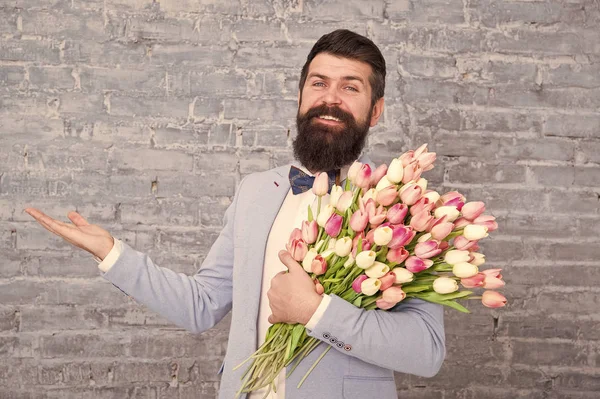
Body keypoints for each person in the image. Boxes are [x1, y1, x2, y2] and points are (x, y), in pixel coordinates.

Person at [25, 29, 445, 399]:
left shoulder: (404, 208)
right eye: (318, 83)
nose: (330, 99)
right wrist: (113, 253)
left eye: (350, 88)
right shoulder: (256, 192)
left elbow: (425, 350)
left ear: (376, 110)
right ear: (300, 96)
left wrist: (316, 312)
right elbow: (202, 305)